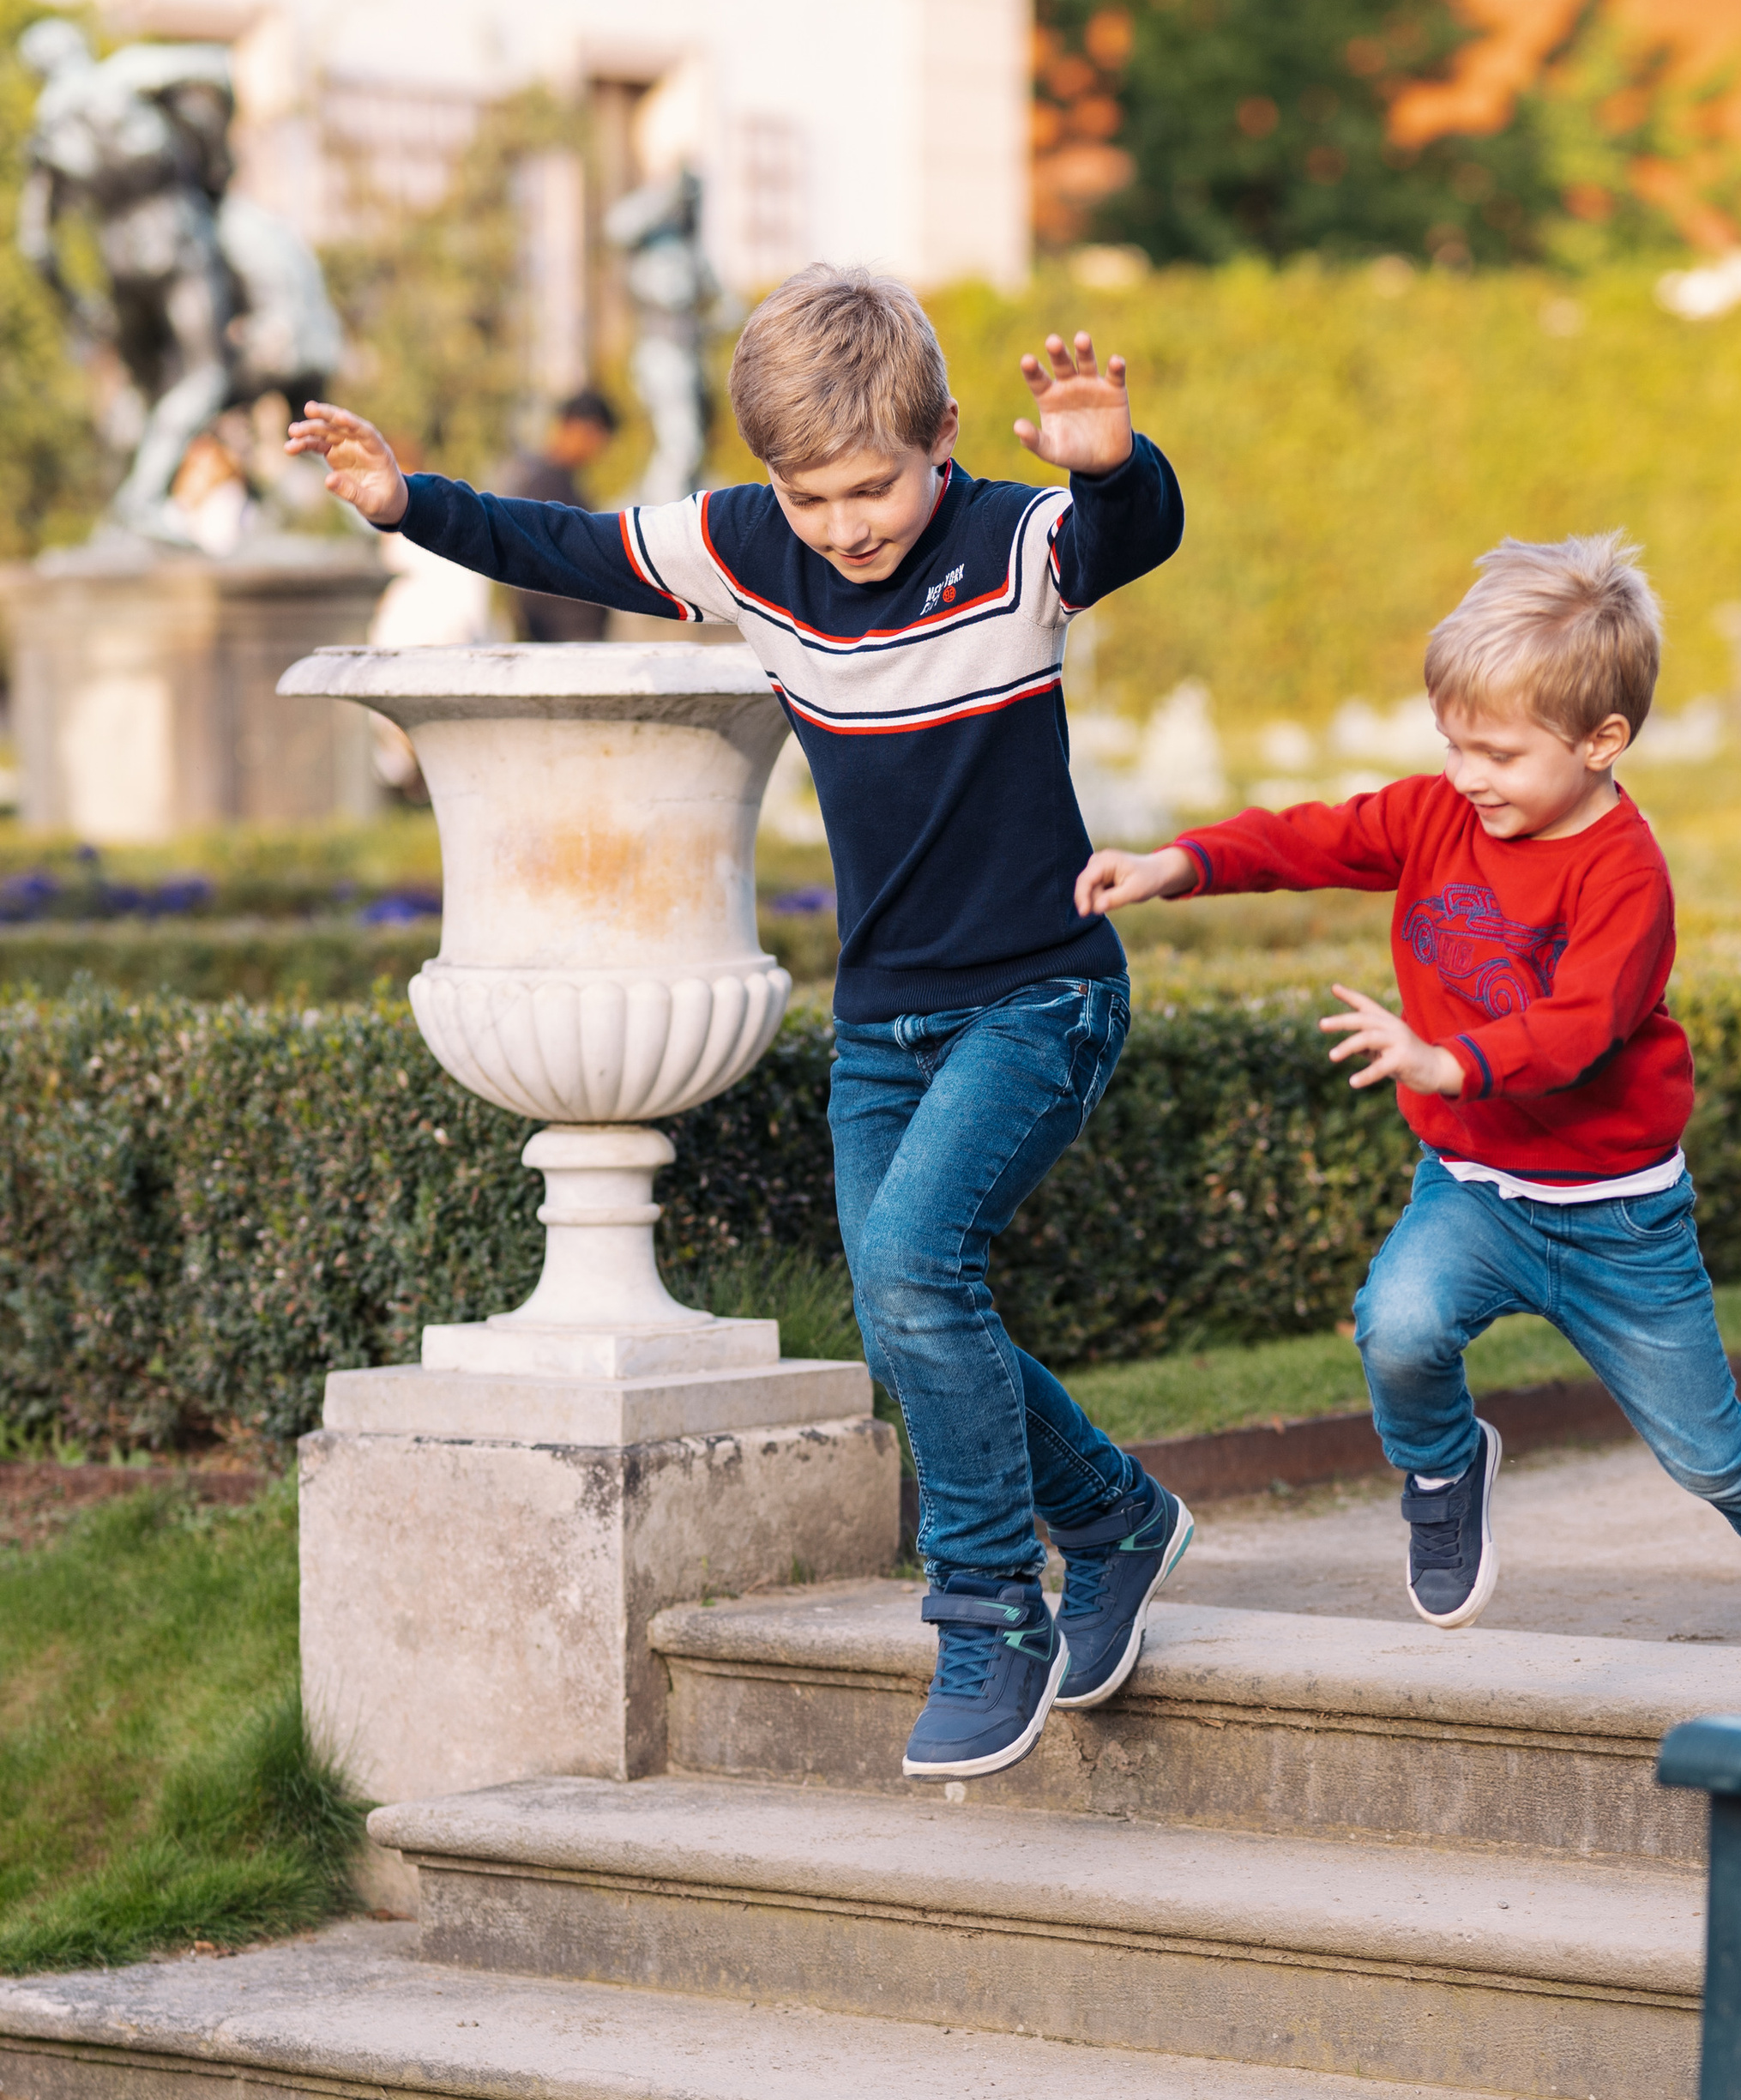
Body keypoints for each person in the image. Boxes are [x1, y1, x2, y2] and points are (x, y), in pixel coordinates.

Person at [286, 265, 1194, 1778]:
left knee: (914, 1269)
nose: (844, 526)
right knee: (905, 1317)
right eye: (810, 496)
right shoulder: (746, 549)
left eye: (873, 489)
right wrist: (405, 502)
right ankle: (1114, 1520)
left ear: (944, 438)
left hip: (1043, 995)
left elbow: (1126, 536)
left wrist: (1113, 466)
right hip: (884, 1023)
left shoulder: (1015, 540)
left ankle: (988, 1610)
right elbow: (563, 542)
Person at [1074, 533, 1741, 1711]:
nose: (1467, 775)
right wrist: (1180, 864)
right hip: (1473, 1186)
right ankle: (1443, 1468)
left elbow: (1578, 1028)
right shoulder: (1437, 816)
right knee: (1398, 1327)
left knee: (1708, 1452)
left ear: (1601, 741)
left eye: (1499, 753)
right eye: (1453, 743)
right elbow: (1313, 837)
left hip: (1619, 1223)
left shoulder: (1624, 875)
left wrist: (1446, 1061)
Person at [501, 386, 623, 642]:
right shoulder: (546, 485)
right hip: (562, 636)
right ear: (578, 426)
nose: (598, 448)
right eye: (597, 435)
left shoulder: (558, 482)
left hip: (569, 635)